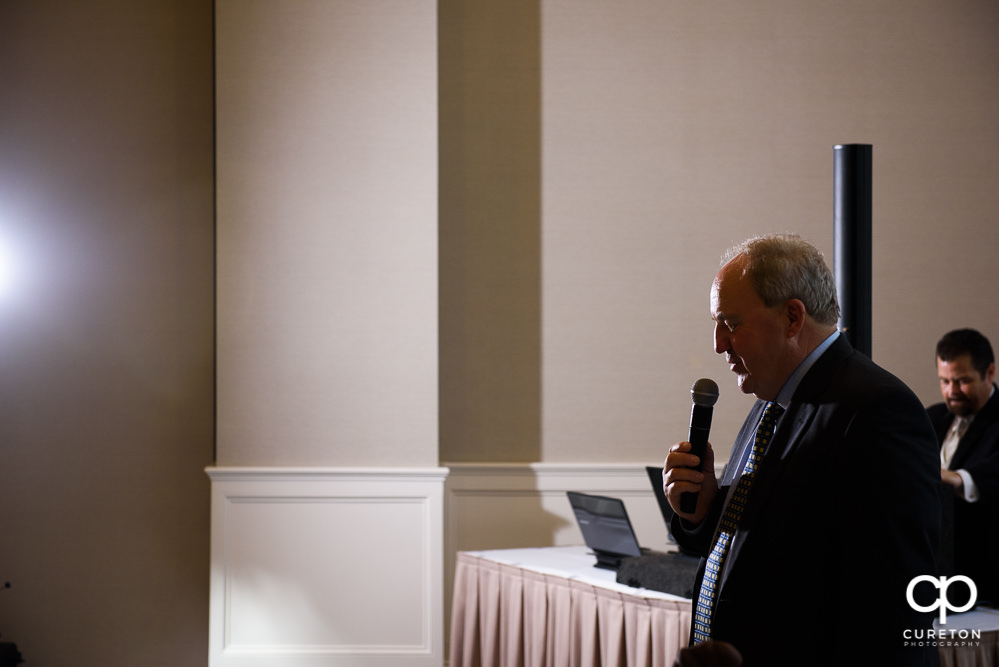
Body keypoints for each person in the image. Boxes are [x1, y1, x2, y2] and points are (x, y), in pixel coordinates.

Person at [663, 234, 941, 667]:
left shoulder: (877, 410)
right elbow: (760, 546)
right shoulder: (769, 403)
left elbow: (892, 608)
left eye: (731, 323)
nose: (719, 344)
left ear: (793, 317)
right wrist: (702, 515)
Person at [927, 328, 999, 607]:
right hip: (936, 578)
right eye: (944, 381)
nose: (951, 391)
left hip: (986, 583)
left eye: (962, 381)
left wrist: (957, 478)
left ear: (989, 372)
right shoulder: (931, 418)